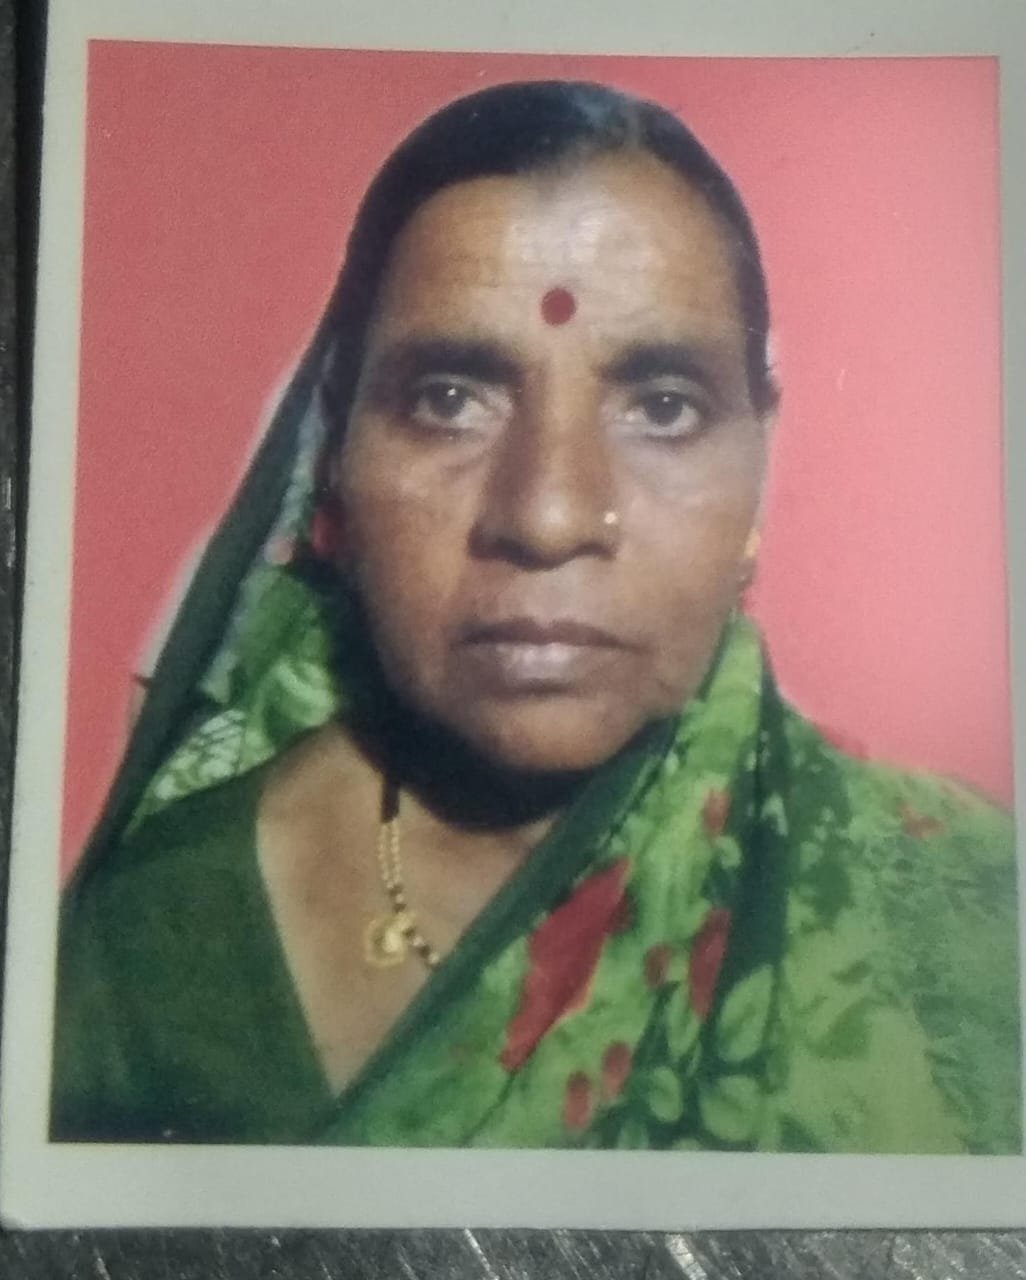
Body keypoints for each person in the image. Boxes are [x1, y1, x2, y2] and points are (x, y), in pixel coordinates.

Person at [51, 80, 1020, 1152]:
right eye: (449, 400)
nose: (549, 515)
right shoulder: (143, 951)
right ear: (337, 458)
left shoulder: (970, 910)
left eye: (663, 407)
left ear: (761, 461)